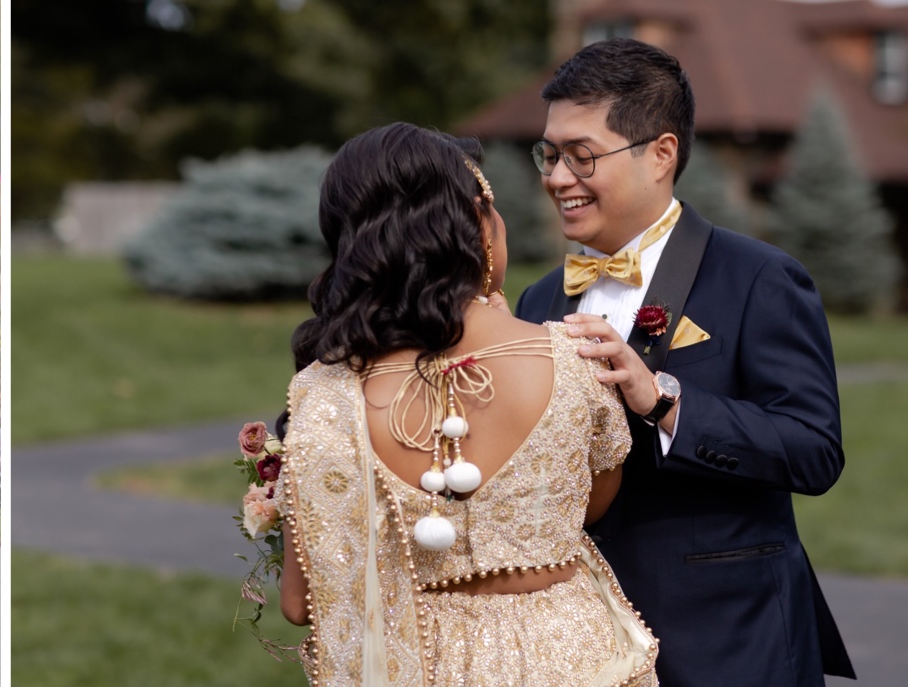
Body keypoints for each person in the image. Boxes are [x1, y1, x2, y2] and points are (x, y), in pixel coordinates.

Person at [512, 38, 856, 685]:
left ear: (661, 154)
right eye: (550, 154)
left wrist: (665, 399)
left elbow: (815, 450)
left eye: (581, 156)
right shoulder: (538, 298)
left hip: (728, 640)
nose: (557, 176)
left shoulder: (761, 278)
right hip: (579, 648)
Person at [276, 122, 658, 686]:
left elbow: (300, 603)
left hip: (424, 666)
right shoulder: (576, 359)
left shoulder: (325, 398)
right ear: (478, 223)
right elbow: (592, 502)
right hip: (575, 659)